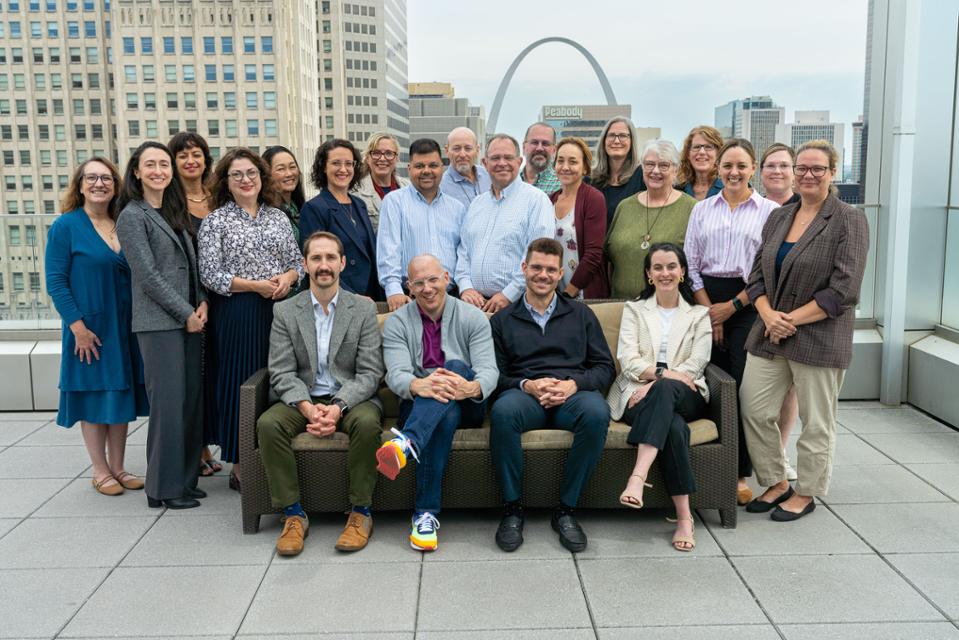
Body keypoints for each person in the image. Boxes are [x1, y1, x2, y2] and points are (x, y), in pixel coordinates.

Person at [740, 140, 869, 521]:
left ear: (833, 173)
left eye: (818, 169)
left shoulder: (848, 219)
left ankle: (807, 491)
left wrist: (788, 320)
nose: (808, 175)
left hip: (818, 336)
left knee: (817, 421)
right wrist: (767, 315)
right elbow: (756, 276)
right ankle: (776, 481)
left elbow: (844, 291)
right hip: (770, 332)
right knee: (754, 407)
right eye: (803, 168)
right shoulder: (780, 216)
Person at [256, 231, 385, 556]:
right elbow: (281, 371)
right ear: (305, 264)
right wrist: (307, 407)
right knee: (269, 425)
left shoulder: (363, 310)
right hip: (302, 397)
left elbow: (370, 372)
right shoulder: (286, 312)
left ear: (342, 263)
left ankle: (360, 513)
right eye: (316, 258)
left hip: (351, 398)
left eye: (330, 258)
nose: (323, 265)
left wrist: (338, 406)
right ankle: (293, 515)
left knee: (369, 424)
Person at [489, 238, 615, 553]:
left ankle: (565, 511)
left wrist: (573, 384)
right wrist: (525, 385)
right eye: (536, 268)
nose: (542, 275)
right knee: (503, 413)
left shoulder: (581, 314)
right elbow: (494, 376)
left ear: (560, 274)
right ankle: (512, 509)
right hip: (525, 396)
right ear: (524, 269)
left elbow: (604, 368)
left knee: (598, 413)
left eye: (550, 270)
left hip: (571, 396)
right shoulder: (503, 320)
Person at [198, 147, 303, 492]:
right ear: (225, 182)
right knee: (241, 384)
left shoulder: (278, 217)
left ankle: (277, 455)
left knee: (277, 380)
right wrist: (255, 286)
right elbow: (210, 274)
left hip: (279, 308)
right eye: (237, 174)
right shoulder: (217, 221)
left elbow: (297, 263)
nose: (246, 180)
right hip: (238, 311)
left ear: (262, 178)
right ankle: (242, 464)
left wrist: (288, 278)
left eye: (252, 173)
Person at [376, 254, 498, 551]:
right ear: (410, 287)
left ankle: (406, 445)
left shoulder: (473, 317)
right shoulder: (396, 324)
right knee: (441, 416)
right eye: (419, 283)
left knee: (455, 366)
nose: (427, 288)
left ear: (447, 278)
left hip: (468, 402)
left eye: (433, 280)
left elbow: (489, 370)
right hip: (419, 403)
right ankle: (425, 516)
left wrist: (470, 387)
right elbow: (397, 375)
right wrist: (420, 384)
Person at [684, 138, 779, 506]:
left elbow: (766, 270)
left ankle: (739, 472)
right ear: (718, 170)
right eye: (727, 166)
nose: (734, 172)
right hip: (705, 300)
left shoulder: (771, 212)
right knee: (705, 384)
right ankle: (704, 465)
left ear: (753, 168)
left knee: (740, 390)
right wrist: (711, 310)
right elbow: (691, 265)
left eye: (741, 166)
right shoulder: (702, 210)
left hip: (749, 303)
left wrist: (731, 308)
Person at [46, 157, 148, 496]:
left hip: (123, 325)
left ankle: (118, 467)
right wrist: (77, 327)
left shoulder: (123, 222)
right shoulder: (66, 227)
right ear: (79, 185)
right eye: (91, 178)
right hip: (88, 328)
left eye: (106, 178)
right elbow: (56, 282)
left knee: (119, 394)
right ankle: (99, 469)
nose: (99, 183)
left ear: (116, 186)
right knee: (94, 396)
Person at [116, 141, 207, 510]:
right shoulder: (131, 216)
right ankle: (163, 489)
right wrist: (185, 312)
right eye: (150, 165)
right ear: (136, 171)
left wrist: (201, 301)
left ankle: (184, 480)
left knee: (188, 403)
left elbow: (192, 263)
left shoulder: (173, 210)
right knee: (168, 405)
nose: (159, 171)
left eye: (164, 165)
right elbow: (149, 277)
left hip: (189, 318)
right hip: (160, 324)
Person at [607, 243, 711, 552]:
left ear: (682, 272)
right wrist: (661, 379)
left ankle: (638, 477)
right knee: (675, 428)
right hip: (635, 396)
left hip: (687, 393)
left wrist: (658, 382)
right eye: (658, 267)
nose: (665, 273)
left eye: (671, 266)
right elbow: (628, 359)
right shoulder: (635, 310)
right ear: (649, 275)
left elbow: (696, 363)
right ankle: (684, 518)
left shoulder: (698, 314)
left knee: (666, 390)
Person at [169, 131, 222, 477]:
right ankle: (197, 446)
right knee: (194, 376)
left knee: (215, 371)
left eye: (197, 154)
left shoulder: (218, 197)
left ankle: (213, 439)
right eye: (183, 155)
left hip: (223, 296)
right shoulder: (169, 202)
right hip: (188, 300)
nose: (191, 161)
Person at [455, 134, 554, 313]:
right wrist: (465, 287)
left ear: (519, 161)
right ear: (485, 164)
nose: (502, 163)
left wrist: (509, 294)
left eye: (508, 158)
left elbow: (539, 256)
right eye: (495, 158)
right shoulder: (477, 204)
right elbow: (463, 252)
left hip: (517, 305)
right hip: (474, 307)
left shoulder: (536, 200)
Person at [377, 138, 466, 312]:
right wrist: (393, 290)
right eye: (419, 166)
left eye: (433, 165)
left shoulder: (457, 208)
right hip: (408, 298)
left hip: (451, 298)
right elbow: (389, 251)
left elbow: (463, 254)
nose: (426, 171)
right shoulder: (394, 202)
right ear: (409, 169)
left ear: (442, 168)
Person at [607, 139, 697, 299]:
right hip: (621, 307)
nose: (655, 171)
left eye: (664, 165)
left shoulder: (692, 208)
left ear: (675, 170)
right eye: (649, 164)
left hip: (669, 309)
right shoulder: (625, 207)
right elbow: (609, 260)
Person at [758, 142, 800, 481]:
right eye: (771, 165)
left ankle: (782, 452)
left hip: (795, 316)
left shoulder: (804, 210)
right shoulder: (760, 210)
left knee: (790, 389)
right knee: (758, 392)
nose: (777, 171)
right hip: (758, 306)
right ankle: (763, 457)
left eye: (784, 166)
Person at [300, 139, 384, 301]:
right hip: (338, 298)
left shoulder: (359, 204)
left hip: (371, 295)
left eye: (349, 163)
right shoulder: (314, 208)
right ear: (324, 167)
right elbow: (315, 263)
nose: (343, 169)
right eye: (336, 163)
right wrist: (351, 296)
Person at [548, 137, 609, 299]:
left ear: (585, 168)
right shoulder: (549, 200)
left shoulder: (593, 199)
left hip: (582, 294)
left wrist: (568, 294)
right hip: (553, 295)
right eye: (560, 161)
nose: (565, 167)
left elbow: (594, 254)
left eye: (573, 162)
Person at [590, 116, 646, 225]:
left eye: (623, 136)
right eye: (611, 135)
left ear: (631, 141)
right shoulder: (590, 180)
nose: (616, 141)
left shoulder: (642, 177)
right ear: (604, 140)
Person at [352, 132, 410, 232]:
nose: (382, 159)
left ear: (396, 158)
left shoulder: (410, 188)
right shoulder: (355, 193)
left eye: (389, 153)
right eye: (376, 153)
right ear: (367, 157)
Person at [262, 145, 307, 246]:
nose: (289, 173)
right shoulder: (266, 214)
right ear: (267, 175)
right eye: (281, 169)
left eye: (292, 167)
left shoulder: (300, 208)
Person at [439, 126, 491, 208]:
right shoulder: (440, 188)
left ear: (477, 150)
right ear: (447, 151)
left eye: (468, 148)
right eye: (456, 149)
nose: (462, 154)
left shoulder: (489, 175)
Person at [677, 126, 724, 201]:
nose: (702, 152)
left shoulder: (728, 189)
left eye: (708, 147)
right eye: (696, 147)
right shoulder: (677, 190)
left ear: (718, 153)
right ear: (688, 154)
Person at [521, 122, 561, 193]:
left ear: (554, 150)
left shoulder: (562, 185)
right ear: (524, 147)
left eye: (545, 143)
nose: (539, 148)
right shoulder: (510, 182)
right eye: (534, 142)